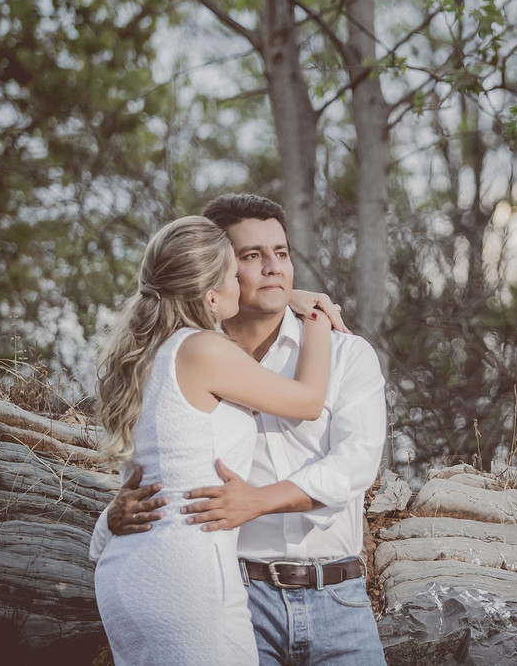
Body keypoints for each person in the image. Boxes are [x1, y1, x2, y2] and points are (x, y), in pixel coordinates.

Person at [91, 194, 389, 666]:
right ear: (215, 275)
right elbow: (158, 465)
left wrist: (260, 499)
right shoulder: (194, 353)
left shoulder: (347, 354)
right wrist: (112, 515)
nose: (273, 268)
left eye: (282, 254)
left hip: (338, 597)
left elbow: (355, 464)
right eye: (250, 257)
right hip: (233, 587)